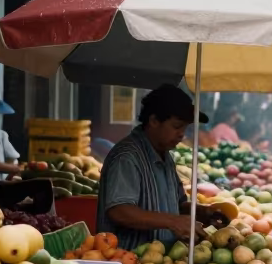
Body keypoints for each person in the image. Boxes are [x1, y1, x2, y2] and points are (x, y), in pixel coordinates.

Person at [97, 85, 227, 251]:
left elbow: (177, 205)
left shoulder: (165, 156)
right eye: (176, 126)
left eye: (185, 127)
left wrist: (203, 213)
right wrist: (173, 222)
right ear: (153, 121)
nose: (182, 134)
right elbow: (119, 210)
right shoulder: (127, 158)